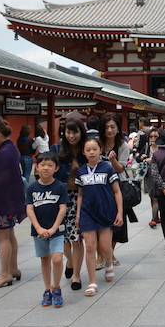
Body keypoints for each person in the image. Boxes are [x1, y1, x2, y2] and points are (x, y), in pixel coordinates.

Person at [75, 136, 124, 296]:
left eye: (94, 149)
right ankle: (92, 282)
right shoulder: (81, 171)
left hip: (105, 212)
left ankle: (108, 263)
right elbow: (80, 195)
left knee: (105, 247)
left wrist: (120, 212)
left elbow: (117, 191)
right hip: (87, 213)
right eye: (88, 150)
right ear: (83, 152)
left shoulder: (108, 168)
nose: (91, 152)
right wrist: (77, 215)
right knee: (90, 247)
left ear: (100, 150)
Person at [0, 116, 27, 289]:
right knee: (9, 235)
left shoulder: (5, 151)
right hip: (10, 199)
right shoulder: (10, 149)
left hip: (2, 201)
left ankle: (4, 274)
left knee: (3, 237)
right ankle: (13, 268)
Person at [25, 151, 70, 308]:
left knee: (57, 259)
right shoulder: (32, 188)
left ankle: (56, 287)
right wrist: (38, 227)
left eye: (50, 165)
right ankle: (47, 290)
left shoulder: (59, 187)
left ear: (56, 168)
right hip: (39, 231)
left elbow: (62, 208)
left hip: (56, 230)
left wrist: (53, 228)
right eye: (42, 165)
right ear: (36, 167)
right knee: (44, 259)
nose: (46, 168)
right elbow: (29, 209)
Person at [50, 117, 87, 291]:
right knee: (64, 237)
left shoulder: (86, 149)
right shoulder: (57, 149)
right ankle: (70, 261)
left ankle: (77, 276)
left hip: (80, 198)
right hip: (60, 199)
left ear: (81, 132)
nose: (71, 136)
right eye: (68, 132)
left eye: (75, 132)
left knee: (78, 238)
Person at [99, 112, 131, 267]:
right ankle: (102, 255)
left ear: (118, 128)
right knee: (100, 221)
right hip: (99, 187)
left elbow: (120, 169)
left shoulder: (122, 145)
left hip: (117, 186)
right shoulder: (97, 143)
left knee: (117, 223)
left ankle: (110, 252)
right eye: (106, 127)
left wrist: (112, 160)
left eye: (112, 127)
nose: (109, 130)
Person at [138, 128, 161, 228]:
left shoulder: (161, 148)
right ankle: (156, 216)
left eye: (155, 136)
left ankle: (153, 218)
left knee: (156, 197)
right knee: (152, 196)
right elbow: (137, 158)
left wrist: (152, 160)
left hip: (160, 175)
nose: (153, 138)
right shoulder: (147, 148)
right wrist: (142, 157)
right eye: (151, 136)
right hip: (148, 175)